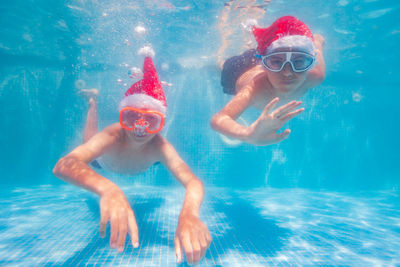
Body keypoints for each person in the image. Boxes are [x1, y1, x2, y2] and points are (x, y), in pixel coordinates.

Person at [53, 51, 211, 264]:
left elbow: (193, 182)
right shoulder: (113, 135)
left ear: (161, 123)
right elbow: (64, 164)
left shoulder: (159, 146)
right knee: (88, 143)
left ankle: (96, 101)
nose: (140, 128)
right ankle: (93, 102)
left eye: (151, 121)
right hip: (104, 163)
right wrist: (108, 189)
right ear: (122, 116)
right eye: (131, 117)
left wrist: (190, 213)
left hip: (144, 163)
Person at [211, 15, 326, 146]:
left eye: (299, 62)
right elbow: (218, 119)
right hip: (237, 70)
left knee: (270, 51)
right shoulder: (255, 89)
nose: (287, 72)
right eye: (277, 62)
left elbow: (318, 43)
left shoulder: (316, 76)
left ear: (310, 63)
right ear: (263, 65)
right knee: (221, 65)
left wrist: (317, 40)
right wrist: (248, 134)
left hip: (267, 55)